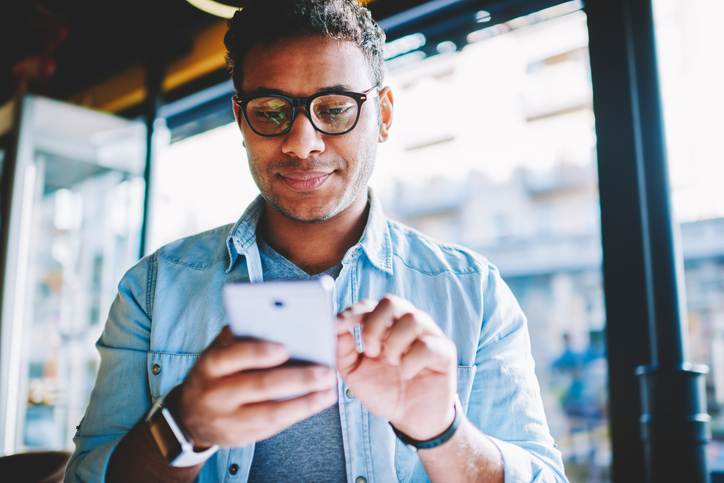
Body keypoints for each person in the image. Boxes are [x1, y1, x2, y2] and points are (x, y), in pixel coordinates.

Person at [65, 1, 568, 481]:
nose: (302, 143)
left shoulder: (473, 293)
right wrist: (183, 428)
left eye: (333, 108)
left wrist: (442, 433)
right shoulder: (153, 291)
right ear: (242, 119)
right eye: (270, 110)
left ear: (384, 115)